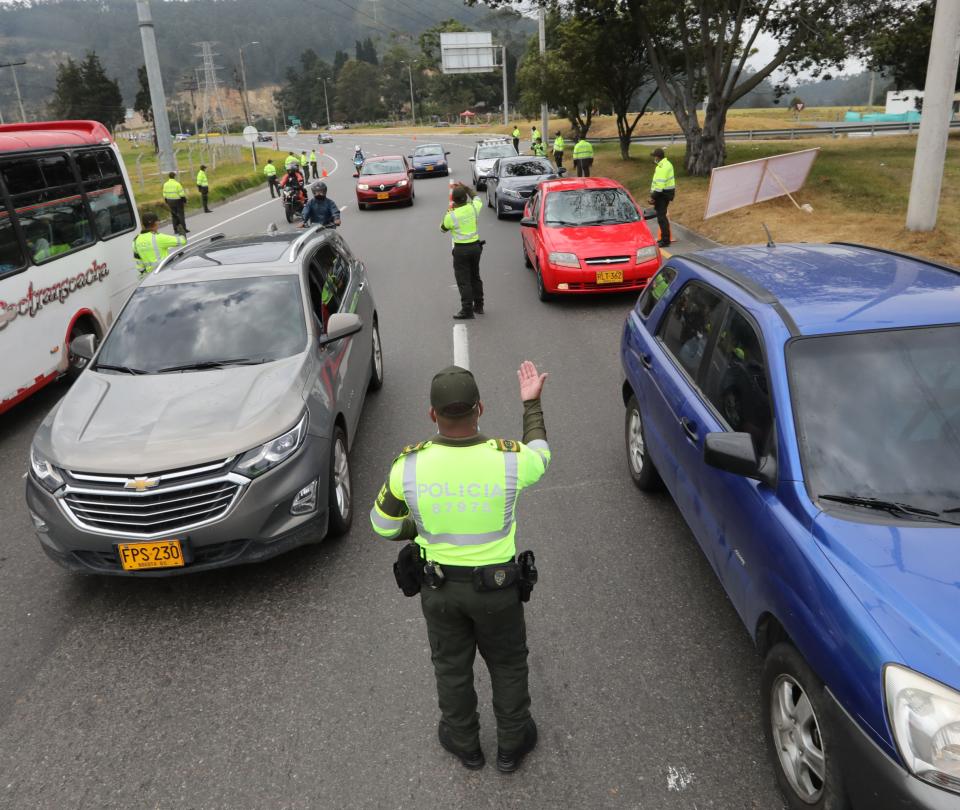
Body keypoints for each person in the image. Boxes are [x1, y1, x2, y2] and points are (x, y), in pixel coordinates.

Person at [369, 361, 551, 773]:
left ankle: (465, 742)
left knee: (451, 667)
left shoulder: (408, 466)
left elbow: (381, 525)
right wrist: (532, 404)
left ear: (432, 414)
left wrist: (418, 526)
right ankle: (512, 742)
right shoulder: (510, 460)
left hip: (439, 592)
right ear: (480, 409)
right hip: (499, 590)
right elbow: (542, 454)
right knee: (507, 663)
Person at [440, 183, 484, 319]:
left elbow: (442, 229)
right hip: (476, 248)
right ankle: (479, 306)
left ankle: (467, 310)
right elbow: (476, 197)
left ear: (453, 200)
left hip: (461, 251)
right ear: (465, 198)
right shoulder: (474, 208)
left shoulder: (451, 215)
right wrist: (465, 187)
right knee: (475, 277)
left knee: (464, 281)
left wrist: (449, 211)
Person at [132, 211, 186, 276]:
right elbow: (182, 241)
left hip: (150, 276)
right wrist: (182, 232)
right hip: (163, 272)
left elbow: (139, 263)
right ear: (156, 223)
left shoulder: (135, 240)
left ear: (143, 224)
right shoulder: (158, 237)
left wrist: (144, 274)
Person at [648, 147, 676, 248]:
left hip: (663, 194)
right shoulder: (663, 165)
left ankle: (665, 240)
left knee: (661, 218)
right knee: (661, 217)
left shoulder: (663, 167)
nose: (654, 158)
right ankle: (664, 238)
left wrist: (653, 197)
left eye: (654, 156)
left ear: (658, 157)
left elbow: (660, 185)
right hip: (663, 194)